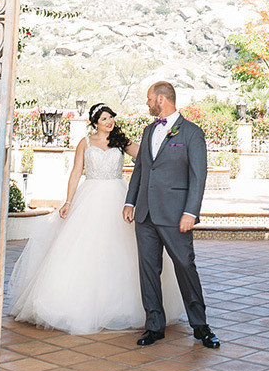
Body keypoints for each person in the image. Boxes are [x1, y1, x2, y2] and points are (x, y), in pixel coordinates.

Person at [9, 103, 184, 334]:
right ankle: (80, 306)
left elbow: (149, 154)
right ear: (94, 123)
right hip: (89, 198)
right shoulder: (85, 143)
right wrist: (68, 201)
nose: (109, 122)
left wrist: (169, 143)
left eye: (111, 117)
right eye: (104, 119)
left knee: (123, 250)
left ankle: (126, 307)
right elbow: (76, 172)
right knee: (85, 250)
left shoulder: (121, 141)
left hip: (118, 197)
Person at [123, 81, 220, 348]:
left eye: (149, 99)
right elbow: (141, 170)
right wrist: (130, 201)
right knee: (148, 270)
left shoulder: (192, 133)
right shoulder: (148, 131)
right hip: (145, 214)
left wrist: (191, 212)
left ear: (161, 99)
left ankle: (200, 326)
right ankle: (154, 326)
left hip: (177, 215)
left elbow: (198, 176)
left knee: (185, 267)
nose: (147, 103)